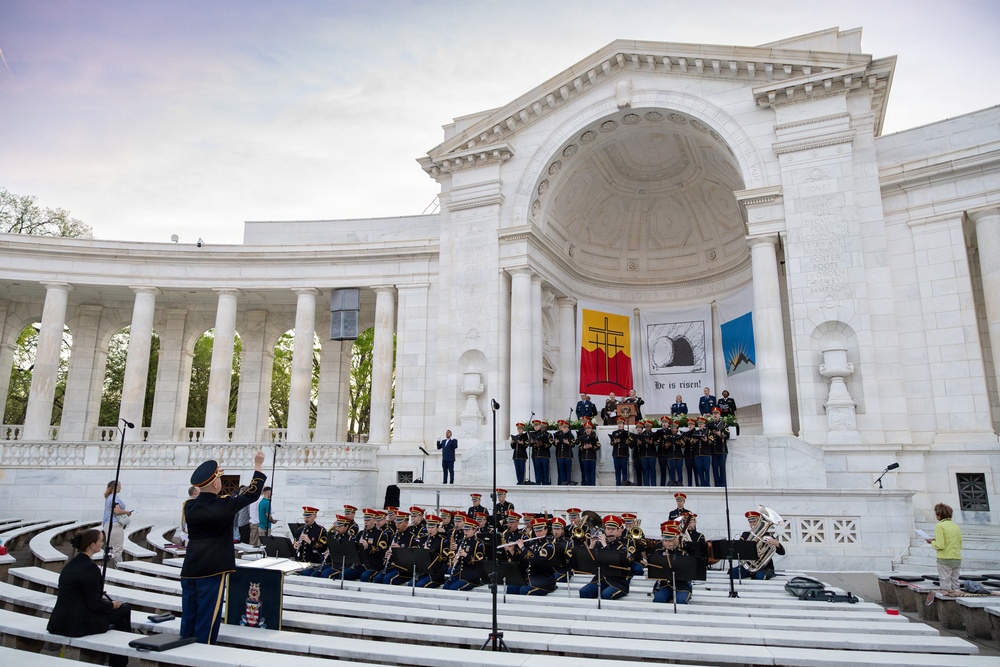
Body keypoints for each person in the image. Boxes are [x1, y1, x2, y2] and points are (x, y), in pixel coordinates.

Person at [180, 450, 266, 645]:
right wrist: (258, 466)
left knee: (189, 616)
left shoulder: (189, 506)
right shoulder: (224, 505)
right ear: (217, 484)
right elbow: (252, 494)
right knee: (207, 619)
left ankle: (182, 653)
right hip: (212, 567)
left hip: (191, 566)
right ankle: (203, 652)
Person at [47, 528, 132, 667]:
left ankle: (118, 661)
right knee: (124, 609)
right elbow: (94, 603)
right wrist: (112, 605)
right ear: (92, 545)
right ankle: (119, 662)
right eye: (101, 541)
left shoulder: (70, 565)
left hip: (59, 620)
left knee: (119, 616)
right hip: (77, 624)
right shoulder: (90, 568)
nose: (103, 543)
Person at [578, 515, 635, 600]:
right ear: (605, 530)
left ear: (617, 531)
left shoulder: (622, 547)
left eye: (613, 529)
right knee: (584, 592)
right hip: (600, 579)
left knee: (606, 595)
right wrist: (591, 546)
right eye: (608, 529)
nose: (610, 531)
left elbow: (613, 560)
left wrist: (604, 545)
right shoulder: (599, 544)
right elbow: (587, 562)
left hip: (617, 581)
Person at [730, 510, 785, 580]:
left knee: (760, 576)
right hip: (749, 567)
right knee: (732, 572)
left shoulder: (767, 535)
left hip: (765, 568)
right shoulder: (746, 535)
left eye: (754, 521)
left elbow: (782, 552)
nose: (752, 524)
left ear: (759, 522)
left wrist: (776, 543)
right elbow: (739, 548)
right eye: (750, 522)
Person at [927, 502, 962, 600]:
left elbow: (940, 546)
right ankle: (958, 600)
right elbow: (959, 542)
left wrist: (931, 542)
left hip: (945, 558)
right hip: (956, 557)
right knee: (955, 582)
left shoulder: (940, 526)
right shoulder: (955, 526)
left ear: (939, 514)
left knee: (945, 583)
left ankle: (948, 603)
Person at [651, 522, 693, 604]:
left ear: (675, 540)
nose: (667, 543)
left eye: (670, 541)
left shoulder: (683, 553)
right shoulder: (658, 553)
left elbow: (688, 572)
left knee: (680, 601)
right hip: (664, 584)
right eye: (665, 540)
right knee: (659, 599)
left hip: (681, 585)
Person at [102, 480, 134, 569]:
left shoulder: (109, 497)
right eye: (119, 486)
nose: (121, 488)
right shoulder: (114, 497)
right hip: (114, 524)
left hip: (109, 524)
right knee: (117, 549)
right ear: (114, 487)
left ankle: (112, 568)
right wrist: (127, 512)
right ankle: (119, 569)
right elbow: (116, 511)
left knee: (112, 548)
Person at [294, 506, 328, 575]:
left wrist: (309, 541)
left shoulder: (321, 530)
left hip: (314, 563)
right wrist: (294, 546)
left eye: (308, 517)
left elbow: (323, 548)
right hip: (300, 562)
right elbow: (293, 544)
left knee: (304, 574)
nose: (306, 519)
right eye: (305, 517)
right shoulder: (299, 530)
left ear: (315, 516)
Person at [576, 419, 600, 486]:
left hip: (592, 457)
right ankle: (587, 485)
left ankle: (592, 485)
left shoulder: (594, 437)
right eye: (586, 428)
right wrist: (583, 447)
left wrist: (591, 446)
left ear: (591, 429)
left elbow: (598, 446)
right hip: (584, 457)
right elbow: (579, 446)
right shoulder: (582, 437)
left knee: (592, 473)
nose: (587, 430)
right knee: (586, 473)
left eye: (589, 428)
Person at [529, 419, 552, 485]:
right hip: (536, 455)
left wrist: (543, 444)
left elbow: (550, 444)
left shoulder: (548, 435)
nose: (542, 428)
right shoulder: (536, 434)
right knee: (537, 471)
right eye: (541, 427)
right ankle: (538, 483)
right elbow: (531, 444)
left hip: (544, 455)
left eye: (543, 427)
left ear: (546, 428)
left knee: (545, 471)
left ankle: (546, 484)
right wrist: (535, 444)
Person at [609, 418, 632, 486]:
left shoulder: (626, 433)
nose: (619, 425)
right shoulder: (614, 433)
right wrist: (615, 442)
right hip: (616, 454)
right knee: (617, 470)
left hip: (624, 454)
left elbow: (630, 443)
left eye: (621, 424)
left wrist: (625, 441)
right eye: (618, 424)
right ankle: (617, 483)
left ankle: (624, 483)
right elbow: (612, 443)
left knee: (624, 470)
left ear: (623, 424)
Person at [552, 419, 576, 485]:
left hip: (567, 455)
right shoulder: (557, 434)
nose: (564, 428)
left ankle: (568, 483)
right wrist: (556, 443)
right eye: (563, 427)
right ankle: (562, 484)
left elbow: (573, 444)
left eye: (565, 427)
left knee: (568, 471)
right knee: (561, 471)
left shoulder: (570, 435)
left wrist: (568, 442)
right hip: (560, 455)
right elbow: (554, 443)